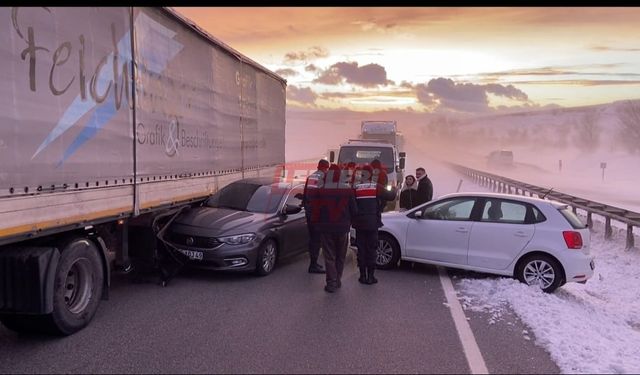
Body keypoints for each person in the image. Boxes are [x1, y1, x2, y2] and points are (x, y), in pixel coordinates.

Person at [309, 164, 357, 293]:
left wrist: (317, 225)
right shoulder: (347, 190)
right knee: (340, 256)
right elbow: (354, 210)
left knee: (329, 256)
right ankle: (338, 280)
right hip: (343, 229)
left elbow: (315, 210)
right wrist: (349, 222)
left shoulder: (321, 190)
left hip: (326, 229)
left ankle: (331, 283)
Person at [352, 164, 397, 285]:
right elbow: (391, 196)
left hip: (360, 224)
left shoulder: (356, 187)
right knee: (371, 249)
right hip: (373, 224)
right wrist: (393, 188)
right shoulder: (376, 187)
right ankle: (371, 277)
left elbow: (351, 205)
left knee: (361, 249)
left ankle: (362, 276)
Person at [301, 159, 330, 274]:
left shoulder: (311, 177)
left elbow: (305, 195)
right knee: (317, 239)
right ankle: (313, 265)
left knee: (313, 238)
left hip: (309, 212)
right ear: (325, 168)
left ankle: (313, 263)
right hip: (318, 213)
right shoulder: (324, 177)